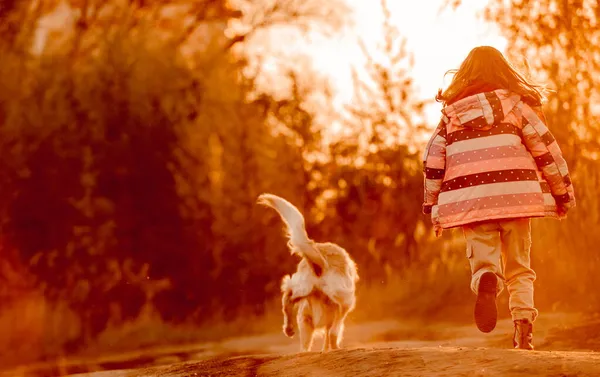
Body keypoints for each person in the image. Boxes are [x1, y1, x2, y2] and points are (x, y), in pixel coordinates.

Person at [422, 46, 576, 350]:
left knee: (483, 261)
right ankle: (523, 329)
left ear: (464, 74)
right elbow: (547, 149)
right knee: (519, 266)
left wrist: (433, 205)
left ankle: (487, 280)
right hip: (517, 199)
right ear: (505, 72)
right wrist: (563, 194)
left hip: (474, 202)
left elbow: (433, 162)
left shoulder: (452, 115)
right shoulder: (518, 107)